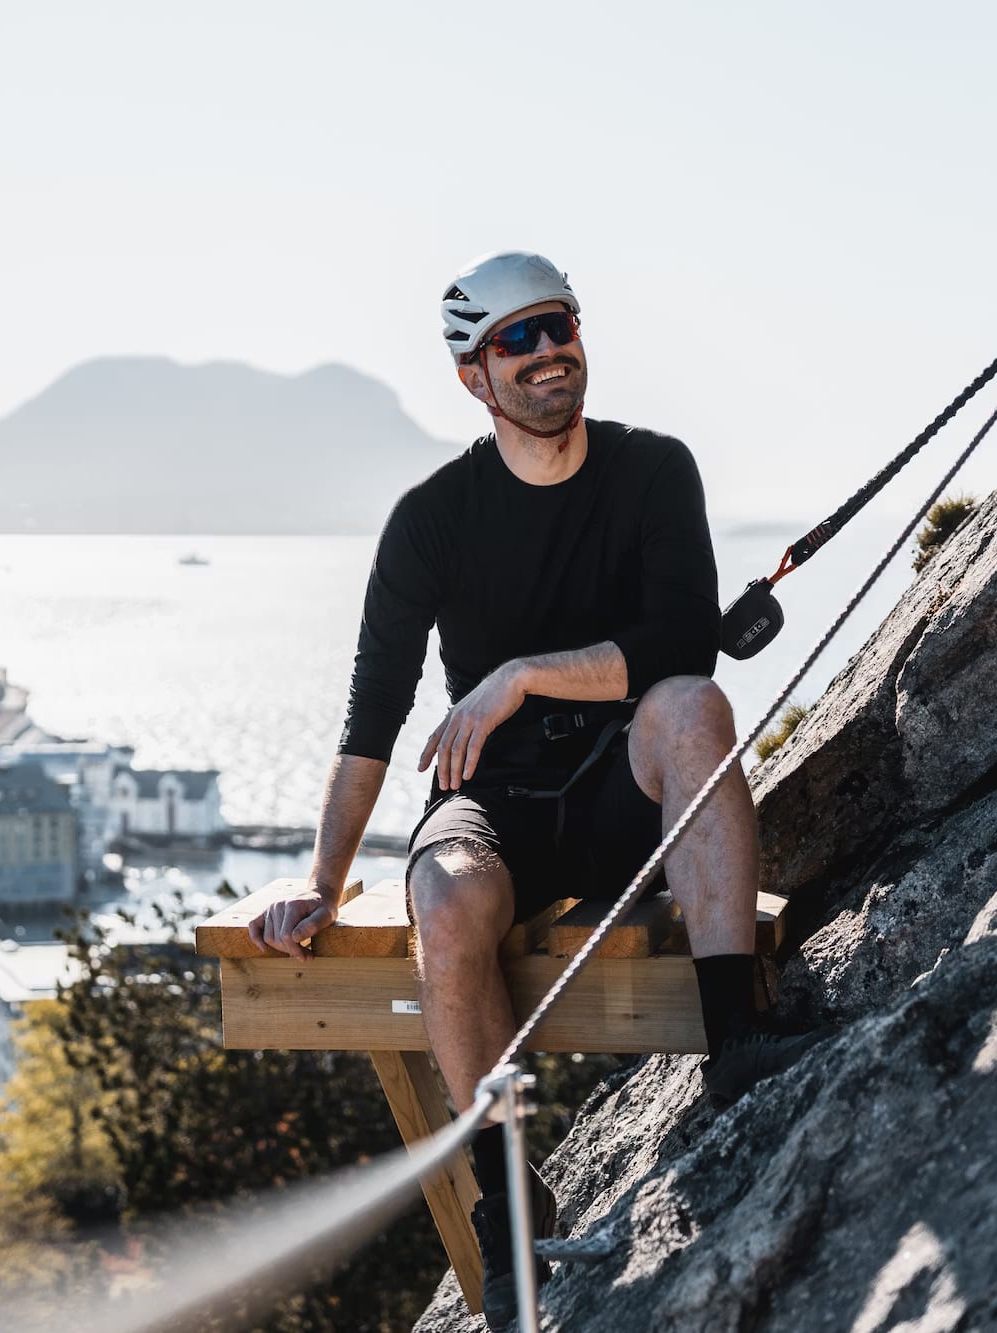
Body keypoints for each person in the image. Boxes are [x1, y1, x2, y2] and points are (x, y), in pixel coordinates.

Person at [247, 250, 824, 1332]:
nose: (545, 351)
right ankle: (508, 1204)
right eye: (514, 339)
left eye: (556, 325)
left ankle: (734, 1042)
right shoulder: (430, 518)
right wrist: (319, 879)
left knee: (691, 704)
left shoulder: (653, 470)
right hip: (495, 806)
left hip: (622, 791)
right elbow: (372, 711)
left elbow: (676, 640)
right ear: (474, 374)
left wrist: (519, 677)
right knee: (447, 895)